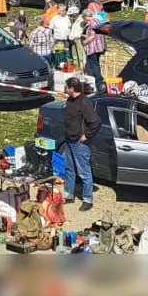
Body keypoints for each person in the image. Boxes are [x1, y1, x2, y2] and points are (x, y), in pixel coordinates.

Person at [59, 77, 98, 212]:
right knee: (69, 168)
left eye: (67, 87)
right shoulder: (70, 100)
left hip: (79, 143)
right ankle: (69, 194)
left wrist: (86, 135)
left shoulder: (84, 103)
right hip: (69, 140)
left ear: (72, 88)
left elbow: (95, 122)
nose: (65, 89)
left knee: (84, 172)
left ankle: (87, 199)